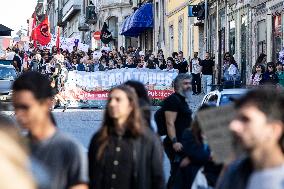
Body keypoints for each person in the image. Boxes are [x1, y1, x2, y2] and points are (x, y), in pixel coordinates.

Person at [12, 72, 89, 189]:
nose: (19, 114)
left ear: (46, 104)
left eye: (25, 107)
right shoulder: (16, 150)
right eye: (16, 107)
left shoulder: (69, 149)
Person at [88, 85, 165, 189]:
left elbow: (158, 178)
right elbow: (91, 174)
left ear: (131, 105)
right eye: (110, 99)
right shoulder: (99, 138)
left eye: (118, 100)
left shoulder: (148, 139)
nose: (112, 104)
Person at [217, 88, 284, 189]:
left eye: (245, 119)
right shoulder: (235, 173)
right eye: (235, 119)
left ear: (274, 129)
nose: (233, 126)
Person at [162, 73, 193, 189]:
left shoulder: (182, 100)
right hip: (176, 145)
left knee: (180, 174)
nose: (189, 86)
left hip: (183, 143)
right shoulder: (173, 100)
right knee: (177, 174)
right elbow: (170, 123)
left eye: (189, 83)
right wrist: (174, 141)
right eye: (185, 83)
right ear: (177, 86)